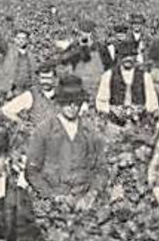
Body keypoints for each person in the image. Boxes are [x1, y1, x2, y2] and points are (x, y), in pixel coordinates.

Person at [24, 75, 108, 205]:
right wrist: (53, 196)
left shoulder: (90, 132)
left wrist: (91, 195)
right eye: (67, 101)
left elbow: (101, 169)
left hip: (84, 199)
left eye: (77, 101)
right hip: (53, 200)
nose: (72, 106)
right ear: (59, 102)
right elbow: (32, 172)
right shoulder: (44, 131)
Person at [94, 45, 157, 125]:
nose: (128, 59)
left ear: (135, 57)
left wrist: (141, 109)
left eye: (131, 56)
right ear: (119, 57)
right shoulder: (109, 75)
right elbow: (101, 101)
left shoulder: (145, 76)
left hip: (139, 121)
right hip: (114, 122)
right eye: (124, 56)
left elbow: (152, 101)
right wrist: (112, 109)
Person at [0, 28, 37, 98]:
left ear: (27, 41)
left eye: (23, 39)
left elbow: (33, 73)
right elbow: (0, 43)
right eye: (18, 38)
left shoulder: (31, 56)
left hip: (24, 90)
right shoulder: (9, 50)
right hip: (8, 89)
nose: (21, 41)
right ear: (14, 39)